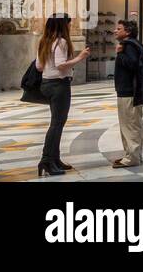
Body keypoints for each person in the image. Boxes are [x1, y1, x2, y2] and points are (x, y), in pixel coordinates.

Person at [35, 15, 89, 176]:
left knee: (56, 123)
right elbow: (60, 65)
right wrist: (80, 57)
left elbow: (38, 66)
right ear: (63, 25)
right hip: (59, 86)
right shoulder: (61, 42)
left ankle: (55, 159)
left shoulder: (44, 41)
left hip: (46, 84)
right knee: (57, 124)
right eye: (69, 24)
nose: (70, 27)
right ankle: (46, 160)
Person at [112, 19, 143, 169]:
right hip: (131, 92)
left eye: (119, 29)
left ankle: (132, 157)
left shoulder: (128, 46)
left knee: (130, 125)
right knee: (133, 124)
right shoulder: (134, 44)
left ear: (127, 32)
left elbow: (133, 65)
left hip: (129, 92)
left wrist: (120, 54)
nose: (115, 31)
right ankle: (133, 155)